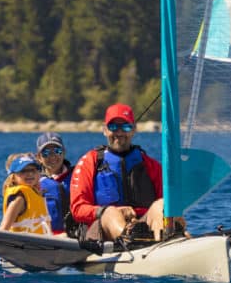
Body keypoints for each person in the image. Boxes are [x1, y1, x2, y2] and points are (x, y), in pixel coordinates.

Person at [70, 103, 172, 245]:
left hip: (143, 225)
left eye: (125, 127)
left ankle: (163, 242)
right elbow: (78, 209)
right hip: (102, 231)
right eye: (113, 127)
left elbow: (167, 203)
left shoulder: (150, 165)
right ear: (105, 130)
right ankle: (130, 241)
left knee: (162, 204)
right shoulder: (89, 162)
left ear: (134, 130)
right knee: (111, 212)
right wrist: (108, 211)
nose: (119, 133)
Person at [0, 153, 53, 235]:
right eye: (23, 171)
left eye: (33, 170)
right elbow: (3, 228)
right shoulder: (19, 199)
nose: (29, 174)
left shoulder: (37, 194)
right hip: (22, 245)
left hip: (42, 243)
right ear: (13, 176)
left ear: (38, 174)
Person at [35, 131, 76, 236]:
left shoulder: (79, 175)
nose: (52, 156)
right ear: (39, 157)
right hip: (50, 238)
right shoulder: (34, 183)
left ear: (64, 152)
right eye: (46, 153)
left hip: (79, 235)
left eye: (57, 151)